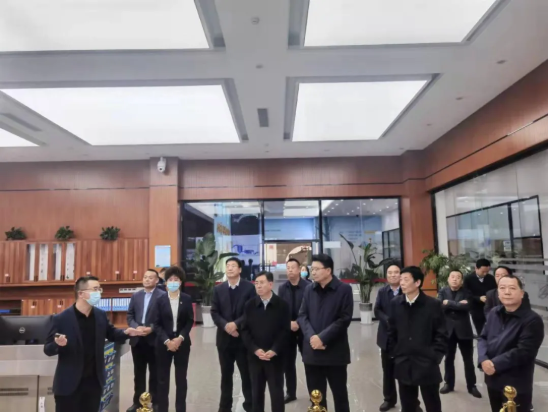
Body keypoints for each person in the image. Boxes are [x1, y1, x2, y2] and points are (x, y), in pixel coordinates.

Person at [44, 276, 142, 412]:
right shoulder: (61, 318)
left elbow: (112, 333)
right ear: (81, 294)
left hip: (94, 382)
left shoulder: (100, 315)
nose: (99, 293)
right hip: (68, 384)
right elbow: (48, 349)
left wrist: (127, 332)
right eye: (95, 289)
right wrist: (58, 344)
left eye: (99, 289)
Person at [478, 275, 544, 412]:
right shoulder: (494, 313)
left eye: (512, 288)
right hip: (492, 379)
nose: (507, 292)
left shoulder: (532, 320)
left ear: (522, 293)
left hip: (515, 383)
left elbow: (524, 351)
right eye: (502, 288)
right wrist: (483, 359)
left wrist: (494, 364)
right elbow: (483, 338)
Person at [298, 254, 353, 412]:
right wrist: (312, 337)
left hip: (335, 352)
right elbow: (302, 316)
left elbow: (344, 319)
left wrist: (322, 338)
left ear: (328, 270)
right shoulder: (309, 289)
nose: (313, 272)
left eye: (317, 269)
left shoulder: (343, 290)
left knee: (340, 395)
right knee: (316, 396)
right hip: (313, 353)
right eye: (312, 269)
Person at [387, 266, 447, 412]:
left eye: (406, 279)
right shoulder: (395, 303)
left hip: (427, 362)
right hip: (403, 362)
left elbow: (441, 333)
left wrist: (435, 356)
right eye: (401, 279)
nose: (402, 283)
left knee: (432, 404)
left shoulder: (433, 304)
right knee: (407, 405)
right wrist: (396, 353)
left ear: (418, 282)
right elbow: (391, 331)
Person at [211, 257, 256, 412]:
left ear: (240, 269)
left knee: (246, 374)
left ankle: (250, 405)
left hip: (243, 339)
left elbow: (250, 311)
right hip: (224, 340)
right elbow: (214, 312)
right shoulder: (218, 289)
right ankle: (224, 407)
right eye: (228, 266)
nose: (230, 268)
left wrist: (236, 324)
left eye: (233, 266)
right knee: (226, 375)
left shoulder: (249, 288)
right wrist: (226, 326)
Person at [241, 271, 291, 412]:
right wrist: (255, 349)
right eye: (256, 283)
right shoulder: (249, 305)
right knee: (256, 393)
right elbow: (244, 330)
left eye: (262, 283)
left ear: (270, 284)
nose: (258, 286)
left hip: (275, 357)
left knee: (276, 393)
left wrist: (274, 350)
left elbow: (285, 331)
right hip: (255, 357)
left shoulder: (282, 305)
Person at [375, 262, 421, 412]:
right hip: (386, 338)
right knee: (387, 371)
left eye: (396, 272)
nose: (393, 275)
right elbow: (377, 310)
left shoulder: (407, 290)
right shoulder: (382, 291)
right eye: (390, 273)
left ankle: (413, 403)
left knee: (407, 372)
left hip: (404, 338)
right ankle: (389, 399)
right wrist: (388, 320)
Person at [153, 266, 195, 412]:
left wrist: (180, 338)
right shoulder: (159, 300)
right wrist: (167, 341)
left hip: (182, 343)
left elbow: (190, 321)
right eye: (170, 279)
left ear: (180, 282)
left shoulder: (186, 299)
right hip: (163, 344)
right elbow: (156, 324)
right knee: (162, 379)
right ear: (165, 282)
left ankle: (180, 409)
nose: (173, 282)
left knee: (181, 379)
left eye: (176, 279)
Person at [126, 269, 166, 412]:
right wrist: (136, 327)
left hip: (154, 340)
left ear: (157, 280)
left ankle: (155, 402)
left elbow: (165, 318)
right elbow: (130, 315)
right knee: (139, 373)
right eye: (145, 277)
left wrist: (151, 328)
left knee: (155, 373)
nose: (147, 279)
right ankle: (138, 402)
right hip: (137, 340)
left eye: (150, 277)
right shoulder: (136, 295)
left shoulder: (162, 296)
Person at [437, 270, 481, 398]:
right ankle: (448, 384)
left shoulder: (467, 292)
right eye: (452, 276)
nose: (455, 279)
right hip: (448, 331)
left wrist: (448, 303)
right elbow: (439, 306)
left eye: (458, 277)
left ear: (461, 281)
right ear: (448, 279)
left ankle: (472, 386)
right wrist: (457, 304)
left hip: (464, 331)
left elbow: (467, 307)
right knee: (448, 359)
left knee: (468, 360)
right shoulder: (442, 291)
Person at [278, 258, 310, 403]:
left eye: (292, 267)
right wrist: (288, 323)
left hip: (305, 330)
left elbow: (311, 309)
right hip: (288, 331)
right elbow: (279, 310)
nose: (290, 270)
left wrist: (298, 323)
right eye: (288, 268)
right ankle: (291, 393)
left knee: (309, 363)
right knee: (288, 364)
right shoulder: (282, 288)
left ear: (299, 269)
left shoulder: (308, 287)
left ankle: (313, 393)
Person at [463, 258, 496, 335]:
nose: (485, 274)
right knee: (480, 331)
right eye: (483, 271)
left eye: (487, 271)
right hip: (476, 309)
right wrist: (478, 298)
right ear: (476, 268)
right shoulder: (468, 279)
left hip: (490, 308)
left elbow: (495, 291)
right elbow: (466, 294)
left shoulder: (491, 278)